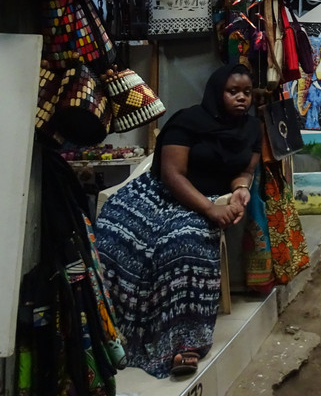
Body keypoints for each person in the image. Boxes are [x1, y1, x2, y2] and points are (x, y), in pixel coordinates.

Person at [95, 63, 260, 378]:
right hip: (159, 193)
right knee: (112, 239)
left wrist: (240, 190)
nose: (241, 98)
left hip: (209, 198)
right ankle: (109, 333)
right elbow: (172, 174)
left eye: (246, 92)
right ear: (216, 93)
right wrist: (209, 210)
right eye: (233, 91)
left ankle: (184, 344)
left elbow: (245, 170)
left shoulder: (252, 129)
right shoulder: (188, 121)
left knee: (186, 244)